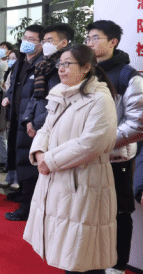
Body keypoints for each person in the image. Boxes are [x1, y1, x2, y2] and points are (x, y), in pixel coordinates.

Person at [23, 45, 119, 274]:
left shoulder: (100, 99)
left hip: (84, 181)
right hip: (57, 178)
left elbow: (92, 143)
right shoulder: (61, 93)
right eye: (60, 64)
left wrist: (49, 161)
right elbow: (45, 128)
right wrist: (39, 153)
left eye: (67, 64)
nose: (61, 69)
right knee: (66, 248)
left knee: (83, 251)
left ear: (85, 68)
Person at [85, 20, 143, 274]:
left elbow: (137, 124)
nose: (89, 42)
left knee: (119, 213)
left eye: (95, 38)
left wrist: (100, 142)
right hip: (85, 157)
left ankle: (117, 266)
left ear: (113, 42)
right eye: (87, 38)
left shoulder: (127, 75)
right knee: (88, 212)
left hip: (116, 158)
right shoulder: (84, 72)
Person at [2, 25, 45, 220]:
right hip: (16, 118)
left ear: (41, 43)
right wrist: (8, 97)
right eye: (24, 38)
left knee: (29, 164)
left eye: (31, 39)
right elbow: (13, 87)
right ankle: (23, 194)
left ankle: (27, 207)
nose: (26, 42)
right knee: (19, 160)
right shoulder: (21, 62)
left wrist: (32, 120)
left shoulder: (43, 64)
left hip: (31, 123)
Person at [0, 50, 20, 190]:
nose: (10, 60)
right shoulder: (10, 71)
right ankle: (10, 175)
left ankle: (17, 177)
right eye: (9, 58)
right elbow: (8, 88)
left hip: (19, 112)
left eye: (13, 58)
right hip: (9, 111)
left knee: (18, 147)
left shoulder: (22, 71)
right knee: (11, 145)